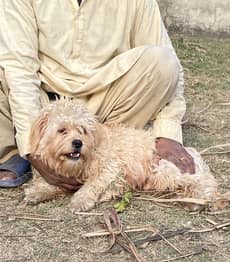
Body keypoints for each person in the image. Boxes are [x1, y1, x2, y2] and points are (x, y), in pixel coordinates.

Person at [0, 0, 194, 190]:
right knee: (8, 70)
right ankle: (14, 153)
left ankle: (102, 151)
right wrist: (31, 146)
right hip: (43, 102)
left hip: (106, 105)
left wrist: (167, 133)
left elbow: (171, 65)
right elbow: (19, 68)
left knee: (163, 62)